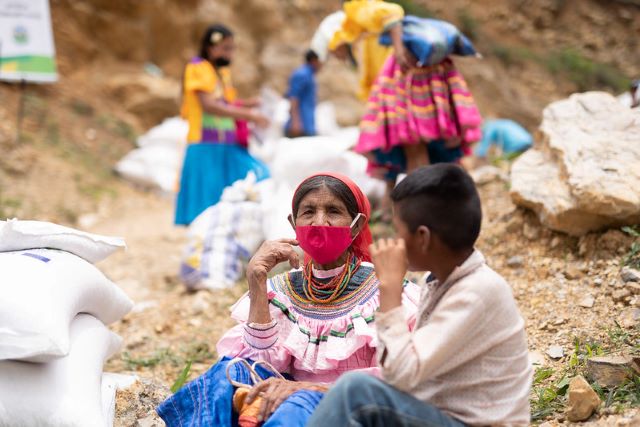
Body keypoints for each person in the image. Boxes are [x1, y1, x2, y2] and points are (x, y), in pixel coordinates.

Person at [158, 173, 420, 426]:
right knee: (226, 374)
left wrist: (306, 389)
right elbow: (261, 363)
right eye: (308, 212)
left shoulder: (384, 285)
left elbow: (397, 377)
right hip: (284, 394)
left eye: (333, 211)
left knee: (297, 405)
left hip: (352, 407)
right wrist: (257, 282)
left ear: (358, 225)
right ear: (294, 224)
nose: (320, 222)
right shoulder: (282, 289)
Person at [308, 164, 532, 426]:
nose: (393, 238)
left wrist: (389, 289)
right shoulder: (440, 281)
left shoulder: (478, 291)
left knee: (355, 392)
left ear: (423, 238)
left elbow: (400, 374)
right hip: (440, 414)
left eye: (398, 229)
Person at [175, 24, 271, 226]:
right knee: (205, 205)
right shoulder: (197, 68)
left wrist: (247, 104)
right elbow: (209, 105)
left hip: (228, 143)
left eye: (232, 48)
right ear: (211, 48)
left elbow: (225, 103)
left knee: (257, 180)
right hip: (205, 144)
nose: (230, 53)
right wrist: (249, 115)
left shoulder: (221, 73)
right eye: (226, 48)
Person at [284, 50, 322, 138]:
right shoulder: (302, 74)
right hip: (300, 126)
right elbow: (293, 98)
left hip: (307, 125)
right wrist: (295, 122)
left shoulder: (309, 74)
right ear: (314, 61)